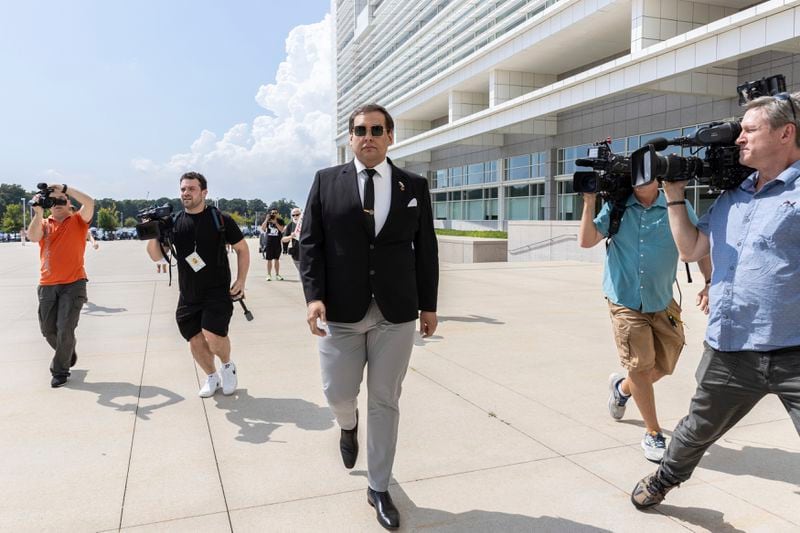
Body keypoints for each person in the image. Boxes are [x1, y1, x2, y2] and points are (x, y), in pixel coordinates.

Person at [631, 92, 800, 509]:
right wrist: (674, 195)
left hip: (795, 351)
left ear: (785, 133)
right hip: (732, 350)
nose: (739, 138)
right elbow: (691, 249)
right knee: (696, 429)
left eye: (749, 129)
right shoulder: (733, 196)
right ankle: (664, 479)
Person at [300, 103, 439, 530]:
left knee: (385, 399)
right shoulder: (326, 182)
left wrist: (428, 304)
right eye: (360, 130)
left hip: (395, 313)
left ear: (391, 136)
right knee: (337, 392)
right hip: (340, 311)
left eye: (377, 130)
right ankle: (347, 424)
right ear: (350, 137)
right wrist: (313, 297)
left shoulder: (413, 185)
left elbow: (426, 248)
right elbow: (310, 244)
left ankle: (379, 486)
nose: (369, 136)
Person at [579, 178, 711, 462]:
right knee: (640, 365)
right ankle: (652, 432)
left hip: (661, 299)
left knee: (665, 364)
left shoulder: (678, 205)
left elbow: (699, 244)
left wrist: (710, 281)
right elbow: (587, 240)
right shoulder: (617, 207)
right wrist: (589, 203)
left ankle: (622, 389)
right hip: (624, 299)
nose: (642, 180)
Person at [146, 172, 250, 398]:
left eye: (191, 189)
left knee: (212, 334)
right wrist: (155, 232)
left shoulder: (220, 219)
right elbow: (156, 256)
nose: (186, 193)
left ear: (204, 192)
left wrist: (241, 280)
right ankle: (212, 376)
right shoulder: (173, 223)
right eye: (183, 189)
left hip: (217, 290)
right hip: (188, 293)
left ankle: (227, 366)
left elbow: (242, 249)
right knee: (194, 338)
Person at [26, 183, 95, 387]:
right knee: (48, 330)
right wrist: (38, 213)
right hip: (47, 284)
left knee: (65, 327)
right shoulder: (45, 223)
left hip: (74, 283)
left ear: (69, 204)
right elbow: (33, 236)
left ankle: (60, 371)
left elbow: (90, 202)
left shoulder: (78, 221)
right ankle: (67, 350)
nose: (57, 204)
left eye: (61, 201)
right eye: (53, 201)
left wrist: (65, 189)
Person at [260, 209, 285, 281]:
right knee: (269, 259)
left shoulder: (280, 221)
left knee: (277, 259)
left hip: (277, 242)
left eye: (275, 213)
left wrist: (276, 222)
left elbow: (282, 230)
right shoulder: (268, 221)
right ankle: (268, 274)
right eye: (272, 213)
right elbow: (263, 228)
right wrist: (266, 219)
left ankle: (277, 274)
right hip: (269, 242)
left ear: (278, 214)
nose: (273, 214)